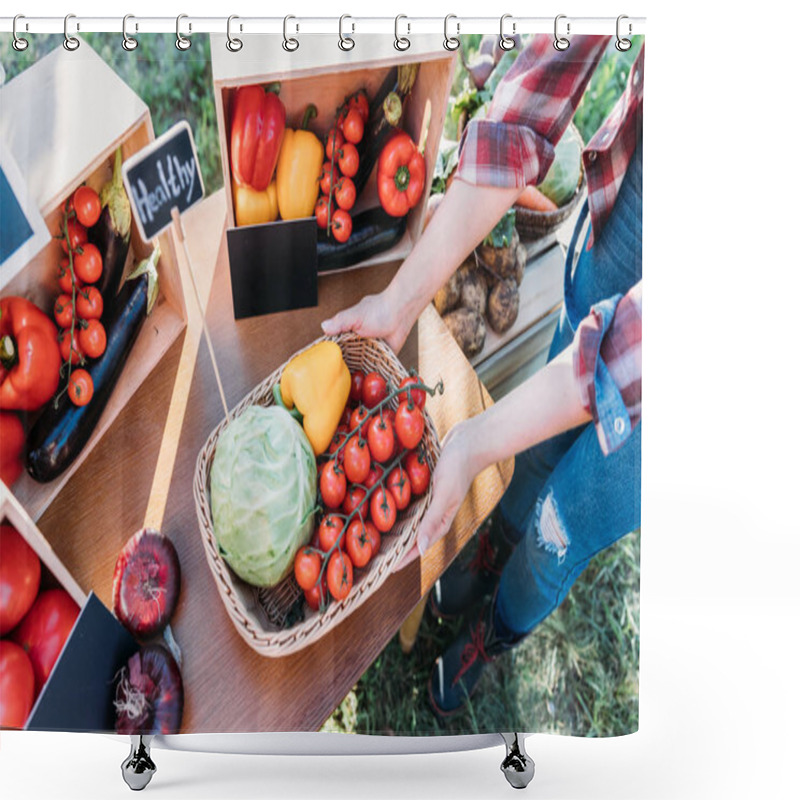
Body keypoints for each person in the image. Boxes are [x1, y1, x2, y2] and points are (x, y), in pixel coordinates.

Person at [322, 34, 644, 717]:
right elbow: (539, 85)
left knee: (567, 520)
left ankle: (493, 632)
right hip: (648, 176)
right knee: (539, 446)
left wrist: (469, 442)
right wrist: (399, 299)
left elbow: (631, 357)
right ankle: (494, 547)